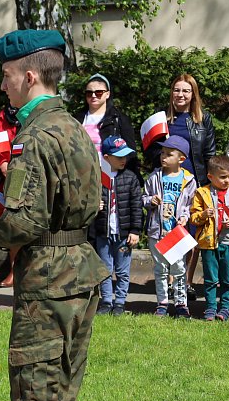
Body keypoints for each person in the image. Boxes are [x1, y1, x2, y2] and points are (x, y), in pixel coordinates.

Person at [0, 29, 108, 401]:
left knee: (39, 398)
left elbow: (26, 218)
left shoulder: (36, 136)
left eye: (8, 74)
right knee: (60, 392)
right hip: (79, 273)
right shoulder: (75, 127)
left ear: (29, 75)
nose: (3, 84)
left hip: (49, 282)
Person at [145, 74, 217, 300]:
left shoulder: (203, 120)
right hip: (167, 182)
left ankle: (184, 282)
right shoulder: (162, 119)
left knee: (189, 235)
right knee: (168, 228)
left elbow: (209, 153)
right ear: (171, 93)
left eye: (186, 91)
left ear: (193, 94)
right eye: (177, 90)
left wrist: (208, 183)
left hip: (194, 183)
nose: (180, 95)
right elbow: (151, 151)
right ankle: (168, 282)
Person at [143, 136, 196, 318]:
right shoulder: (155, 177)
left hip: (176, 233)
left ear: (181, 159)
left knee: (179, 268)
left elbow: (190, 205)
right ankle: (162, 302)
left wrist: (184, 217)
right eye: (162, 153)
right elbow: (144, 198)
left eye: (168, 154)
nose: (163, 157)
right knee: (160, 269)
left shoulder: (188, 180)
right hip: (158, 231)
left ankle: (181, 303)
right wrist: (151, 200)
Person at [92, 136, 143, 316]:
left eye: (125, 156)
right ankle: (106, 301)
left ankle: (120, 302)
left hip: (123, 234)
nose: (123, 160)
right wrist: (93, 205)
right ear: (106, 157)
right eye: (119, 156)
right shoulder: (97, 177)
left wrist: (135, 231)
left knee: (122, 270)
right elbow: (86, 201)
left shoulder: (130, 178)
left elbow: (137, 206)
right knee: (105, 269)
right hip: (103, 232)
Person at [188, 155, 229, 321]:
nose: (227, 180)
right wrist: (203, 215)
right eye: (223, 177)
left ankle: (225, 308)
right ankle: (210, 308)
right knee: (210, 279)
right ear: (210, 177)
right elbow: (193, 217)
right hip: (209, 243)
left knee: (228, 279)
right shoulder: (202, 193)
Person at [76, 74, 140, 173]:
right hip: (82, 174)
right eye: (89, 93)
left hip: (110, 175)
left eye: (99, 92)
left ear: (107, 94)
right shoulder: (76, 119)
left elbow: (131, 153)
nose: (93, 96)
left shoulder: (119, 119)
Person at [0, 103, 21, 287]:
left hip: (31, 170)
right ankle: (14, 270)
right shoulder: (3, 115)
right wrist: (3, 164)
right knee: (14, 220)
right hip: (11, 175)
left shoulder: (35, 110)